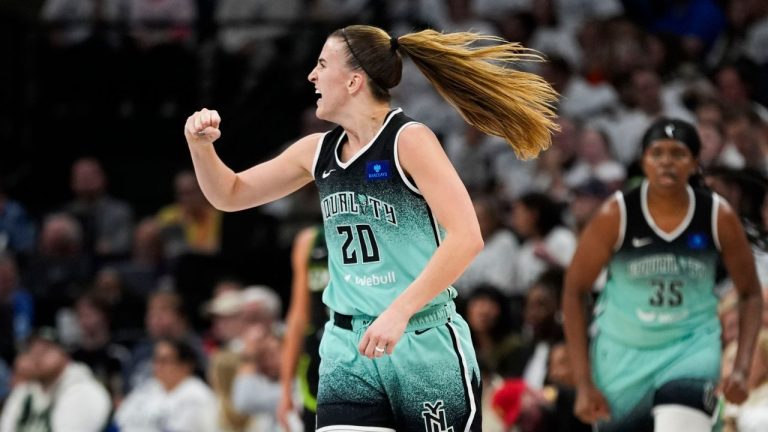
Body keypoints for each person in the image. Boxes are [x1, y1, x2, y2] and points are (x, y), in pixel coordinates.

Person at [184, 24, 558, 431]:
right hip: (348, 348)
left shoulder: (408, 140)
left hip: (421, 339)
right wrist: (201, 147)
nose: (311, 75)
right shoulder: (316, 151)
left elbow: (467, 237)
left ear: (354, 80)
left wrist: (398, 311)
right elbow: (230, 195)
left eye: (322, 64)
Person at [562, 118, 764, 432]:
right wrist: (584, 381)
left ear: (695, 163)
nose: (666, 161)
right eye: (657, 153)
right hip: (621, 355)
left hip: (690, 348)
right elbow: (575, 291)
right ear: (643, 161)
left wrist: (741, 367)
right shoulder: (616, 215)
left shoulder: (716, 215)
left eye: (678, 153)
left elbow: (750, 293)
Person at [277, 224, 329, 431]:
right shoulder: (309, 241)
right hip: (319, 364)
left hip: (369, 358)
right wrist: (285, 390)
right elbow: (298, 317)